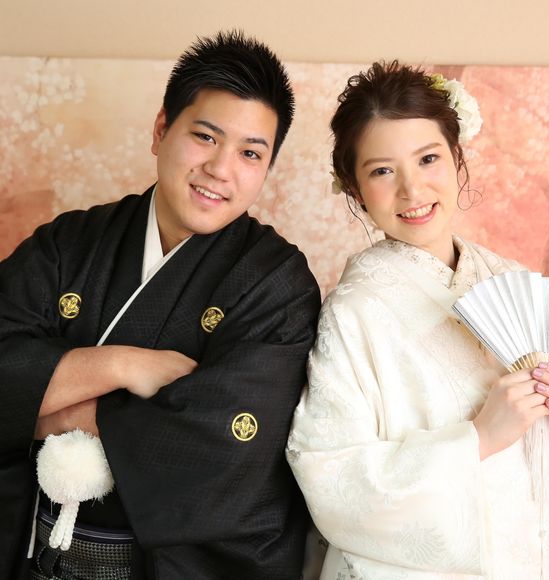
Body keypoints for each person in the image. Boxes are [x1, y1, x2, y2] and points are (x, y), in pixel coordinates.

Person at [0, 30, 321, 580]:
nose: (221, 169)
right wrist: (123, 366)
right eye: (205, 136)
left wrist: (52, 411)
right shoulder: (66, 244)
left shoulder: (275, 283)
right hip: (33, 551)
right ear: (160, 130)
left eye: (250, 153)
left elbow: (230, 441)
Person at [287, 60, 549, 579]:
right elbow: (331, 478)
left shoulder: (516, 281)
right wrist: (478, 438)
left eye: (428, 159)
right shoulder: (354, 311)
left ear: (457, 157)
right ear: (354, 188)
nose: (412, 189)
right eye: (382, 171)